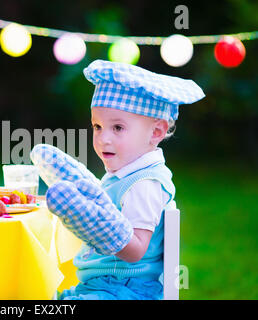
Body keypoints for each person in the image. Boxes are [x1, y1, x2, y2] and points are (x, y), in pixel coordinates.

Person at [30, 60, 205, 300]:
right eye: (98, 126)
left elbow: (135, 250)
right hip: (100, 286)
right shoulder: (123, 175)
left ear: (156, 132)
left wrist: (94, 224)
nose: (103, 139)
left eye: (118, 128)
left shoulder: (145, 183)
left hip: (125, 290)